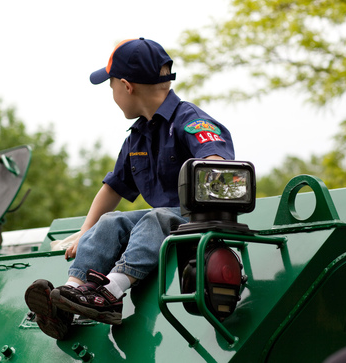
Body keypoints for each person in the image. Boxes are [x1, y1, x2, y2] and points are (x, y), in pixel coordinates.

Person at [24, 37, 235, 339]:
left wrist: (210, 165)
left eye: (110, 87)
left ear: (126, 85)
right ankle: (68, 297)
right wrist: (86, 230)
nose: (112, 94)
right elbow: (113, 187)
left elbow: (217, 162)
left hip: (198, 219)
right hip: (164, 221)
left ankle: (111, 293)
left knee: (154, 217)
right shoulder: (137, 136)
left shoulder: (191, 121)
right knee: (111, 221)